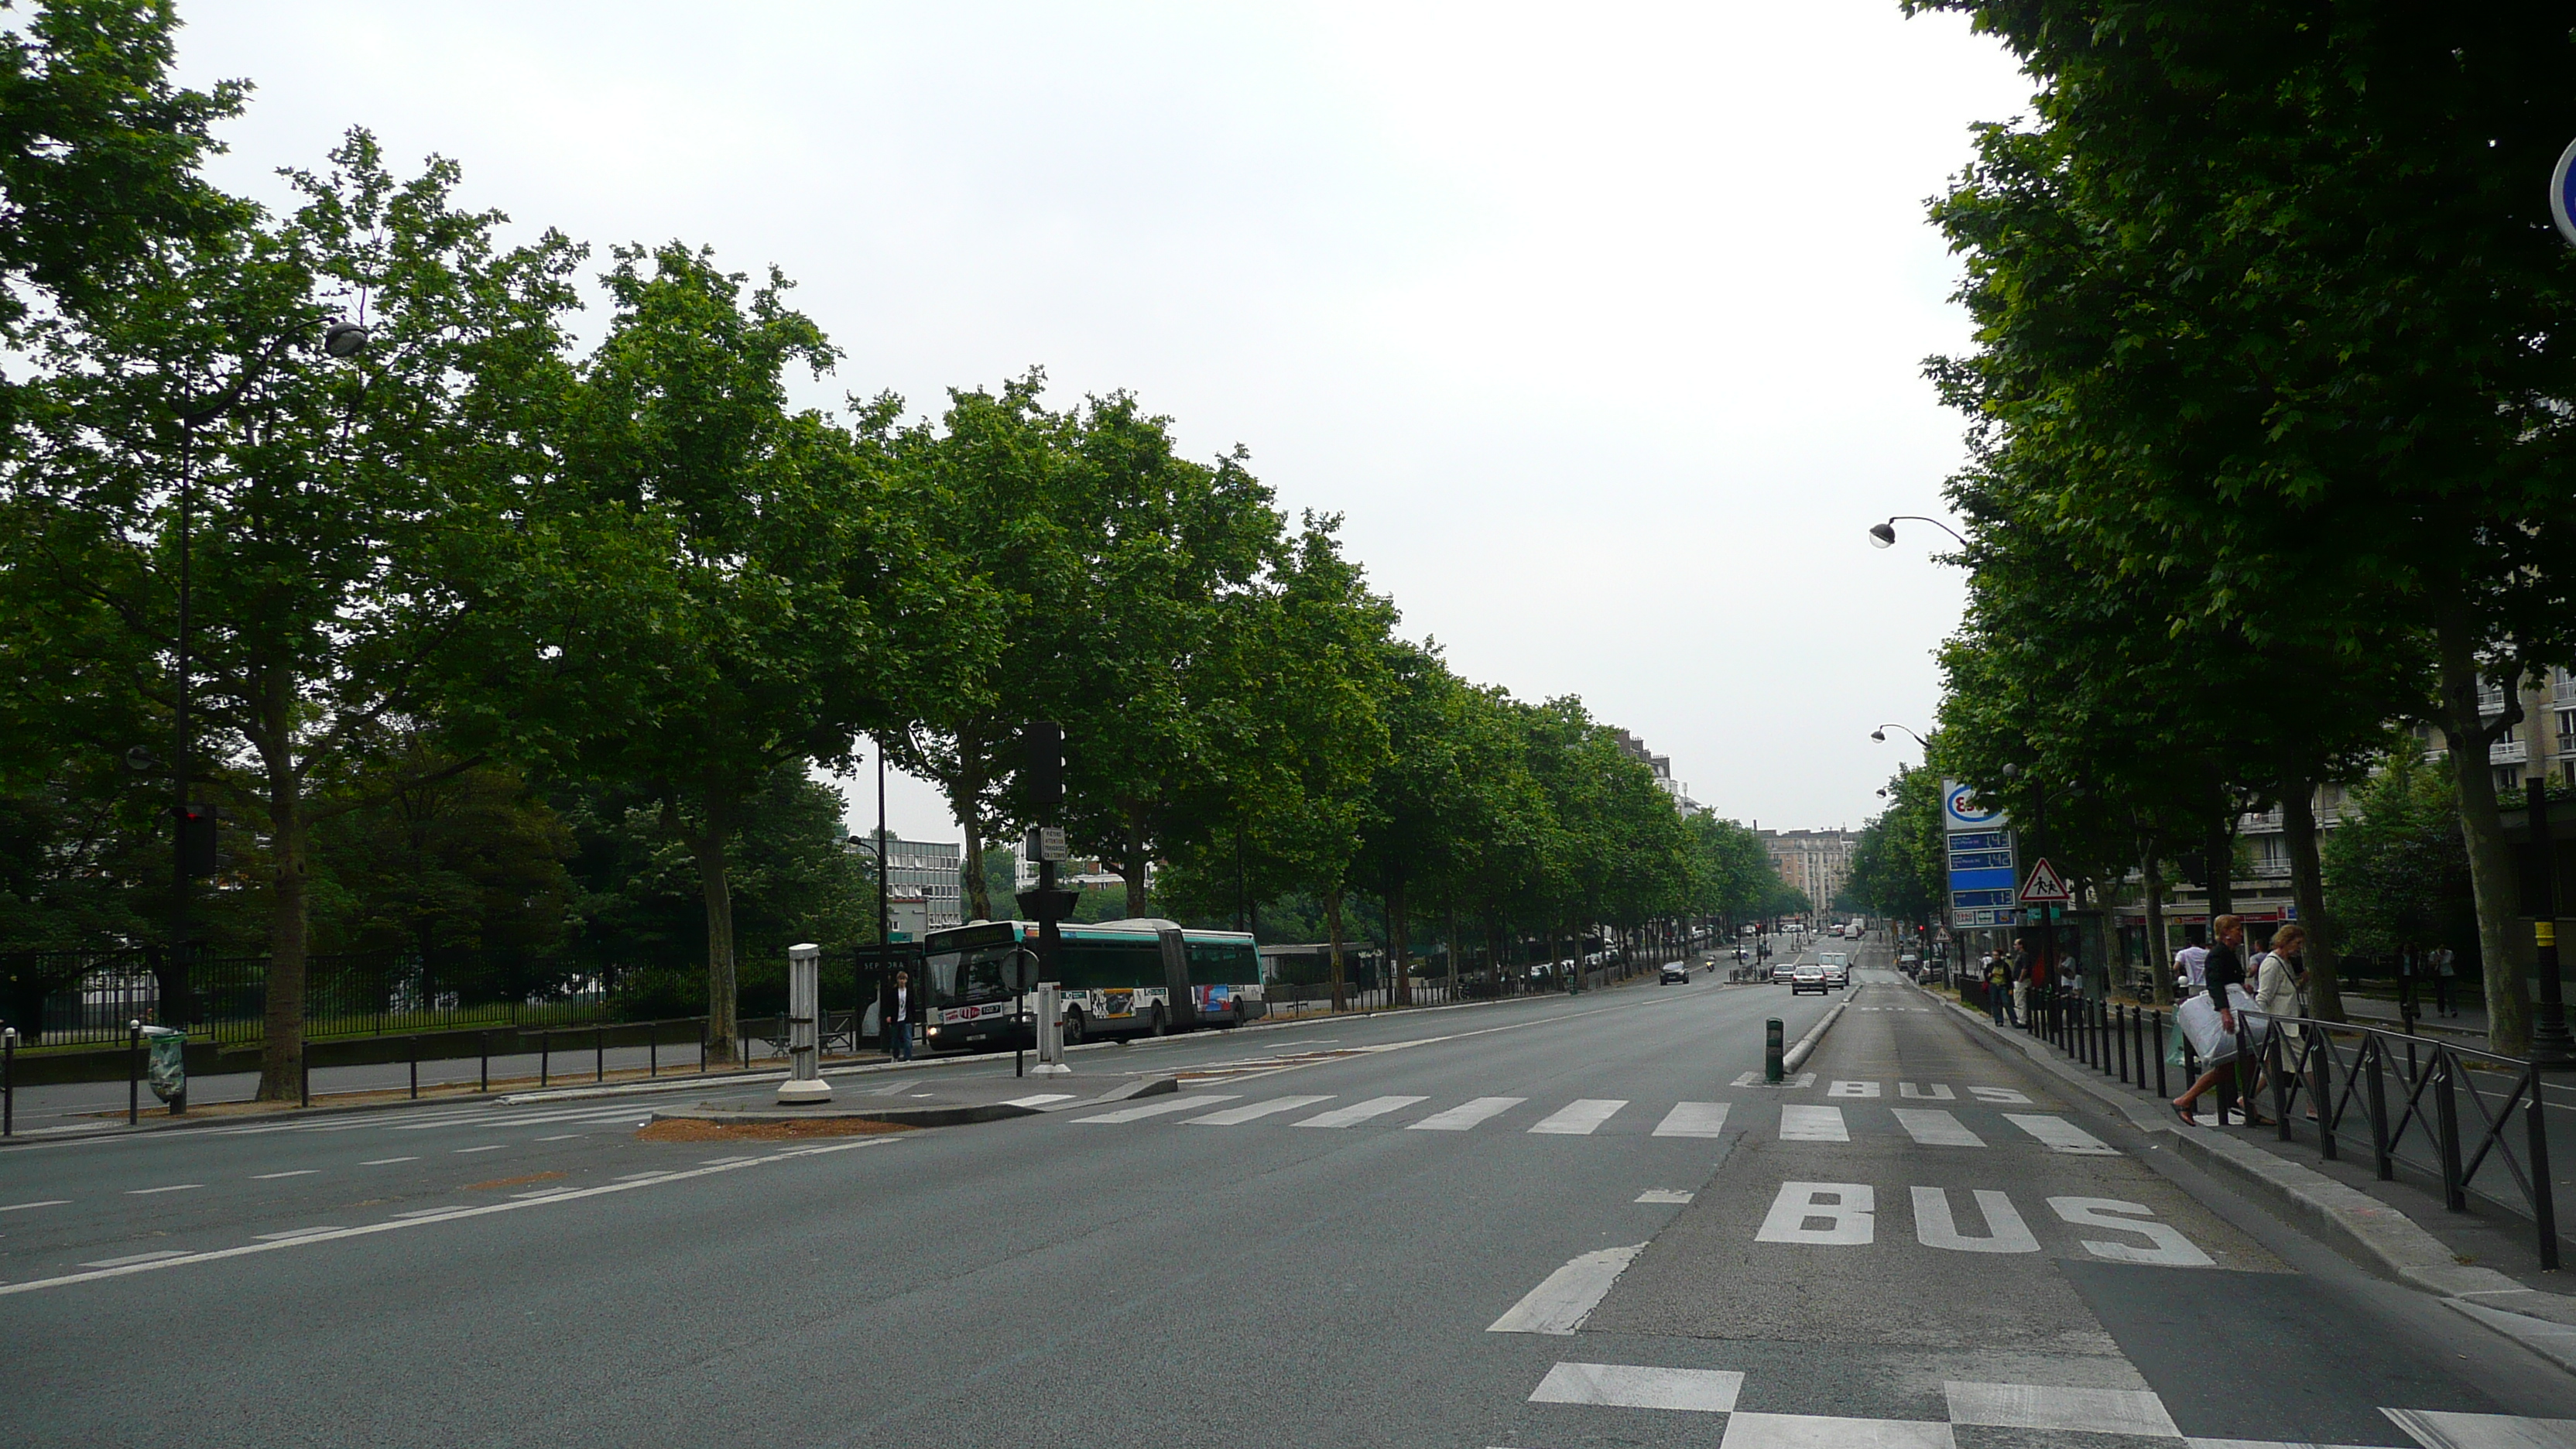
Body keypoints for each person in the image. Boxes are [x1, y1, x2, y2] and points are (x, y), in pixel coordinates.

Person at [2172, 914, 2266, 1126]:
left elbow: (2228, 982)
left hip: (2236, 1010)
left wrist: (2242, 989)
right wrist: (2224, 1011)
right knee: (2227, 1065)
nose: (2240, 933)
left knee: (2247, 1060)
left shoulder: (2229, 953)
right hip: (2231, 1014)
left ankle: (2248, 1105)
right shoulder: (2218, 954)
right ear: (2225, 933)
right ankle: (2184, 1100)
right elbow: (2215, 984)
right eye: (2237, 929)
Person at [889, 968, 916, 1062]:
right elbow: (890, 1005)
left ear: (906, 980)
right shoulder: (893, 992)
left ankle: (907, 1058)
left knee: (908, 1040)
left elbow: (912, 1006)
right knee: (895, 1041)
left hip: (906, 1019)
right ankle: (895, 1056)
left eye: (904, 979)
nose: (902, 981)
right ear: (897, 980)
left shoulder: (909, 992)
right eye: (900, 979)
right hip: (896, 1019)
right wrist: (889, 1016)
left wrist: (913, 1019)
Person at [2430, 943, 2458, 1018]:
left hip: (2449, 974)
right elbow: (2431, 965)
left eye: (2443, 950)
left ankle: (2453, 1009)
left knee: (2451, 991)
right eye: (2441, 950)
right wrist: (2437, 960)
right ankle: (2441, 1011)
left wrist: (2454, 972)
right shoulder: (2434, 954)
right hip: (2439, 975)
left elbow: (2452, 962)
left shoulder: (2450, 953)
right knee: (2440, 993)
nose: (2442, 951)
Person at [1985, 949, 2012, 1025]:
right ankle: (1999, 1020)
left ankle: (2013, 1020)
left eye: (1996, 955)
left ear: (2000, 956)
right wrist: (1989, 977)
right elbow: (1986, 974)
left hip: (2003, 985)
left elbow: (2009, 977)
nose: (1995, 957)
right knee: (1995, 1003)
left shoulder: (2005, 965)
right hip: (1993, 985)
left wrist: (2010, 988)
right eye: (1994, 955)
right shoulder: (1990, 965)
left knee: (2006, 1003)